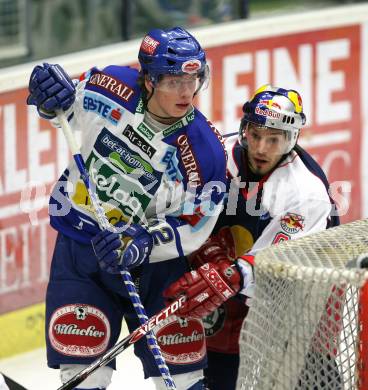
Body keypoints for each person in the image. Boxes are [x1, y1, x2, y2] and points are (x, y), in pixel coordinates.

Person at [26, 27, 228, 390]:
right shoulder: (109, 85)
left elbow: (196, 224)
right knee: (84, 375)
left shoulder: (205, 151)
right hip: (82, 251)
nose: (187, 91)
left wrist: (144, 242)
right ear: (148, 80)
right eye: (174, 81)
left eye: (194, 79)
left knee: (183, 379)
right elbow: (65, 113)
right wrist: (48, 96)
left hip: (157, 268)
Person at [164, 84, 340, 390]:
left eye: (273, 140)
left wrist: (231, 273)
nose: (260, 148)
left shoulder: (306, 192)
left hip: (300, 298)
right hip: (229, 296)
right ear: (244, 129)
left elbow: (276, 262)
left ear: (291, 140)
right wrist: (201, 249)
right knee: (217, 372)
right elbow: (178, 209)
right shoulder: (217, 157)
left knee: (308, 376)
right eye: (255, 135)